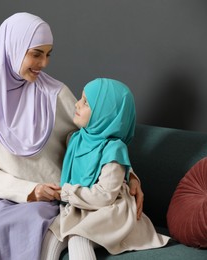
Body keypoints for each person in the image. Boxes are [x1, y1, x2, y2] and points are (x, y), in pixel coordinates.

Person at [0, 13, 144, 260]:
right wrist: (29, 190)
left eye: (48, 54)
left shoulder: (55, 94)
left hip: (60, 197)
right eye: (36, 54)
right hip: (3, 196)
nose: (44, 63)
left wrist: (129, 176)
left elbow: (96, 140)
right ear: (12, 48)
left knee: (31, 224)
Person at [41, 78, 170, 260]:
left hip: (110, 209)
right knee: (51, 236)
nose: (77, 104)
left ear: (104, 114)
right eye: (81, 98)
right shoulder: (77, 138)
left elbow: (105, 196)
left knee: (79, 238)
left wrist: (64, 193)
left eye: (85, 102)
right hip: (82, 205)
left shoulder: (114, 149)